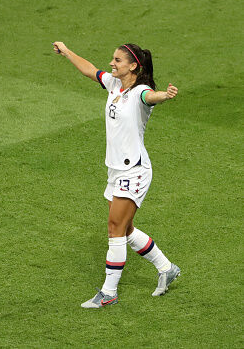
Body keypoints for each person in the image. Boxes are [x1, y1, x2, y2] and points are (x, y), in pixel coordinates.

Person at [52, 41, 181, 308]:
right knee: (126, 228)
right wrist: (66, 52)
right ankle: (166, 268)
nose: (112, 64)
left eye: (118, 61)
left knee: (115, 228)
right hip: (116, 169)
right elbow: (90, 71)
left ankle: (109, 292)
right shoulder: (113, 84)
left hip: (134, 170)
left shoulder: (141, 92)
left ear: (133, 66)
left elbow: (150, 97)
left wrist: (164, 96)